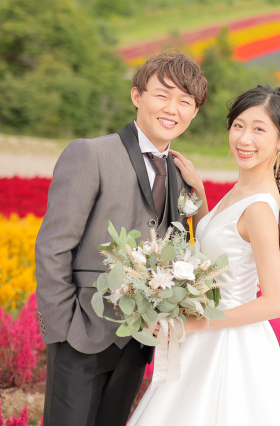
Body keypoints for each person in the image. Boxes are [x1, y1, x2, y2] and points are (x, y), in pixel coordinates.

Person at [35, 51, 208, 426]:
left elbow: (182, 250)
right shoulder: (91, 154)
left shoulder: (181, 176)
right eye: (162, 95)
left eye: (185, 101)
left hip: (137, 340)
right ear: (136, 96)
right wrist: (62, 330)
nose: (172, 108)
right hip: (80, 333)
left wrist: (200, 194)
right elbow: (53, 245)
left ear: (194, 112)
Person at [128, 84, 280, 425]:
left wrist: (194, 323)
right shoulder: (243, 189)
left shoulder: (260, 208)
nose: (244, 139)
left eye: (259, 129)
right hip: (207, 333)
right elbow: (221, 250)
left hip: (229, 344)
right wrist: (202, 195)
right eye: (238, 125)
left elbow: (276, 303)